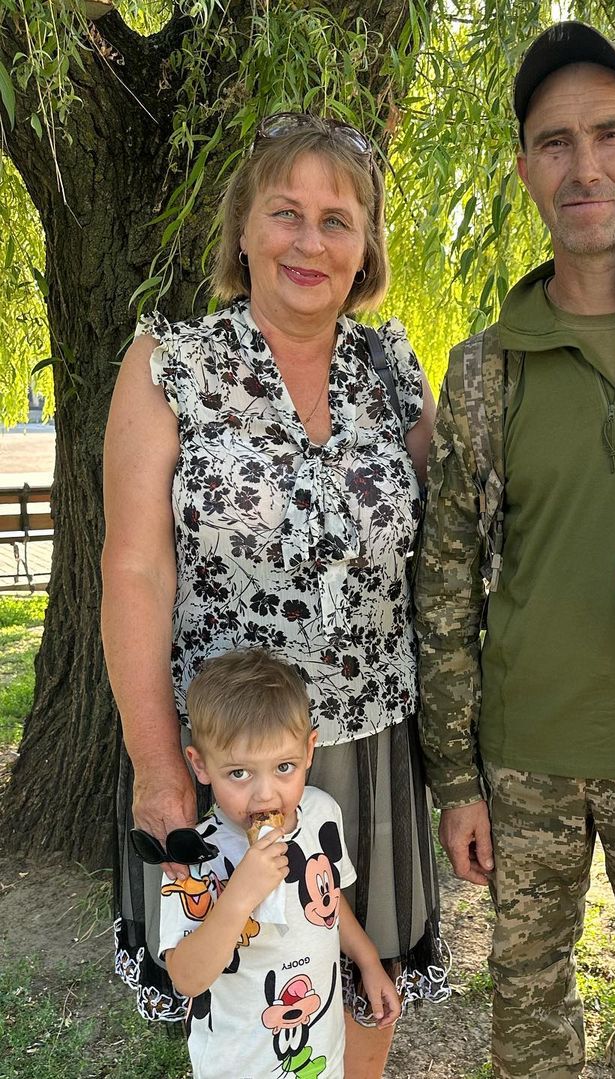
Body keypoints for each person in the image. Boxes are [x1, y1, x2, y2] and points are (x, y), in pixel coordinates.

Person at [102, 112, 447, 1076]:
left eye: (337, 220)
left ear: (366, 249)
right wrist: (158, 763)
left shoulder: (394, 374)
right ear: (244, 229)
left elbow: (447, 554)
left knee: (363, 975)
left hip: (369, 746)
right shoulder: (170, 365)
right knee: (245, 987)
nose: (310, 241)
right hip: (229, 754)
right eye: (285, 212)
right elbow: (134, 569)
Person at [415, 22, 615, 1079]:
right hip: (525, 761)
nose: (583, 165)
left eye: (610, 134)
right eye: (555, 142)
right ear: (525, 169)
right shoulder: (485, 369)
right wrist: (455, 777)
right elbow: (445, 589)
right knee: (528, 1024)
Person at [156, 648, 401, 1078]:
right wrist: (240, 896)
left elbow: (328, 902)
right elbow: (187, 979)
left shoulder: (321, 814)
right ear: (201, 765)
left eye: (284, 766)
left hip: (318, 1053)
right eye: (239, 773)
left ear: (309, 750)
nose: (266, 794)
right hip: (238, 1065)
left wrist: (368, 961)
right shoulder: (195, 855)